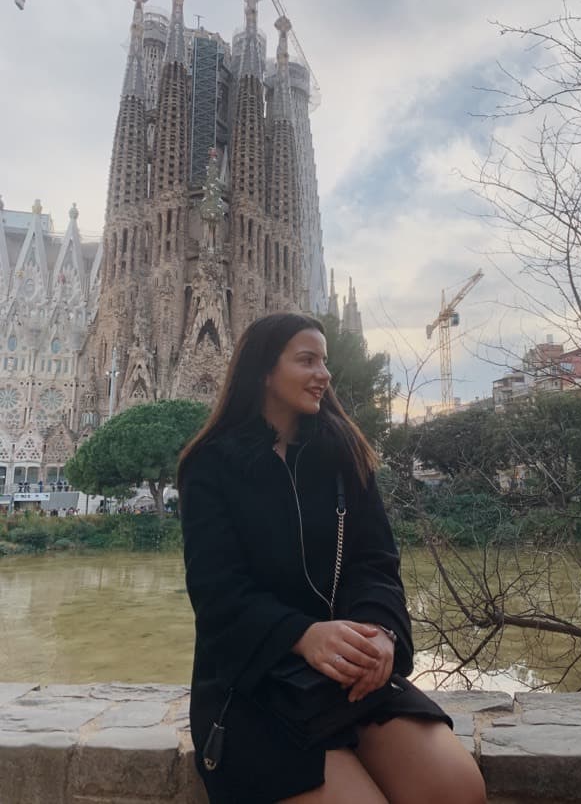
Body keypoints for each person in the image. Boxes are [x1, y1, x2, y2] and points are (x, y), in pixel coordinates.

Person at [178, 313, 486, 804]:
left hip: (345, 675)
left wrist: (381, 634)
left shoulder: (342, 454)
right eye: (307, 360)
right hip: (255, 679)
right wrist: (301, 635)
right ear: (263, 370)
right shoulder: (211, 464)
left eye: (325, 361)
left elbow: (375, 564)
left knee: (457, 788)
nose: (324, 373)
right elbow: (217, 592)